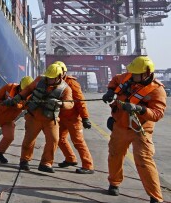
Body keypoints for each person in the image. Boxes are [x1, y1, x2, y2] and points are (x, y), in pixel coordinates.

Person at [102, 56, 166, 203]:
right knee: (115, 154)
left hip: (140, 129)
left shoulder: (157, 90)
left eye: (136, 73)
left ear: (146, 74)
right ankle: (114, 183)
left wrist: (139, 109)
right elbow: (115, 79)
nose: (133, 75)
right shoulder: (127, 76)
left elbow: (157, 114)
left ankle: (155, 197)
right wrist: (110, 91)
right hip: (120, 126)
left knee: (144, 160)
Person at [4, 62, 73, 172]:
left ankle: (46, 163)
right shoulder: (40, 79)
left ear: (59, 77)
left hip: (50, 119)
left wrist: (60, 103)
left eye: (51, 78)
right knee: (29, 140)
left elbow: (70, 104)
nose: (48, 80)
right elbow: (27, 90)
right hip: (33, 116)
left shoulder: (66, 89)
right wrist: (17, 98)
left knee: (54, 140)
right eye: (48, 77)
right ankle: (24, 160)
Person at [55, 61, 95, 174]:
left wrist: (85, 118)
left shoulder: (71, 83)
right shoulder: (54, 82)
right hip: (61, 117)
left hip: (73, 119)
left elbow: (80, 102)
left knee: (78, 141)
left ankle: (88, 166)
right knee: (58, 139)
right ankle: (70, 159)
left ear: (63, 73)